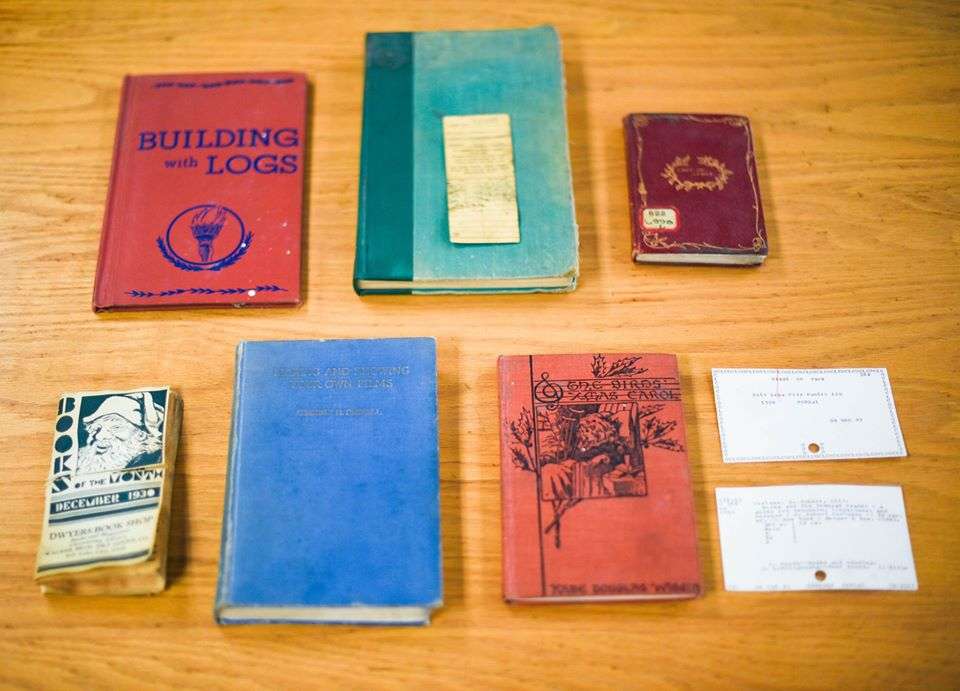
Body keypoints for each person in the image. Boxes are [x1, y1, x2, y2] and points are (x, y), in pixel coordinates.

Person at [76, 391, 164, 473]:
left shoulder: (152, 462)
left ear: (141, 434)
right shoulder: (78, 459)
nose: (99, 436)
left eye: (116, 427)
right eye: (97, 428)